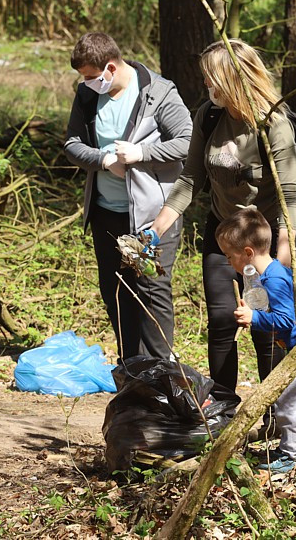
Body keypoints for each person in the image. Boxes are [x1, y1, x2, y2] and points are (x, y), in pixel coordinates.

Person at [147, 39, 296, 393]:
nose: (206, 84)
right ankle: (223, 410)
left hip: (265, 240)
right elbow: (190, 178)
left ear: (232, 78)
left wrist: (279, 264)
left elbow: (289, 199)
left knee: (267, 329)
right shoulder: (209, 115)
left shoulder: (274, 124)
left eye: (210, 77)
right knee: (221, 321)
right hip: (223, 233)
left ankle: (273, 413)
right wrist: (154, 231)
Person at [63, 32, 193, 360]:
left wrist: (142, 153)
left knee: (150, 291)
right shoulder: (88, 95)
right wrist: (104, 160)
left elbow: (187, 141)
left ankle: (159, 371)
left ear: (111, 67)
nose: (87, 83)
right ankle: (131, 367)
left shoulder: (157, 92)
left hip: (150, 218)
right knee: (116, 292)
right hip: (107, 213)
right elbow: (72, 144)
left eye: (92, 77)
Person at [216, 208, 296, 472]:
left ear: (247, 252)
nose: (228, 261)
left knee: (290, 402)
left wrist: (254, 318)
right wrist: (255, 313)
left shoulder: (274, 280)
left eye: (229, 256)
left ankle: (294, 456)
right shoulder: (269, 274)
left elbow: (286, 321)